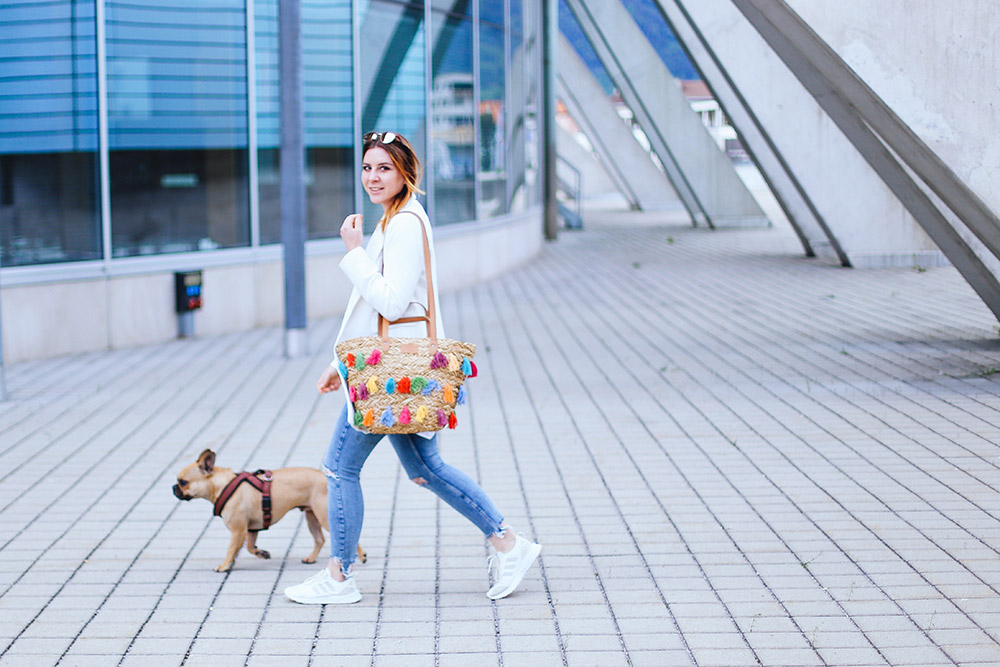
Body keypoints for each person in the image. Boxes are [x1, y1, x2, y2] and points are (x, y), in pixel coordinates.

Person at [284, 131, 541, 605]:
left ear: (405, 172)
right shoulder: (397, 219)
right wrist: (337, 364)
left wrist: (353, 251)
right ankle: (509, 543)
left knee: (339, 469)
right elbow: (378, 311)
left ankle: (339, 577)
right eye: (367, 168)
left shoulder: (403, 224)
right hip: (393, 370)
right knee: (426, 469)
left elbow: (391, 300)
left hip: (392, 375)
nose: (373, 177)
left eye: (384, 167)